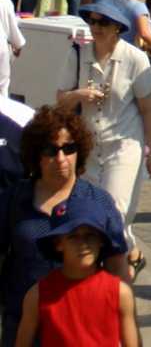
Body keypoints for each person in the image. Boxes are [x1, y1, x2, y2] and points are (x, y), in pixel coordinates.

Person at [0, 109, 128, 347]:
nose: (61, 159)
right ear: (36, 155)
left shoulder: (98, 202)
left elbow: (117, 267)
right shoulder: (13, 199)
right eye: (50, 150)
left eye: (69, 149)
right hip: (23, 324)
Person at [54, 0, 151, 276]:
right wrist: (78, 94)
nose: (96, 27)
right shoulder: (76, 54)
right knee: (92, 212)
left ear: (118, 27)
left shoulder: (135, 58)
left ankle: (112, 277)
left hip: (125, 145)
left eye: (104, 21)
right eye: (92, 20)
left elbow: (148, 110)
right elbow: (60, 100)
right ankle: (131, 253)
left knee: (114, 211)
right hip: (88, 148)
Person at [14, 200, 140, 347]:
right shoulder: (38, 294)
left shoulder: (120, 292)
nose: (84, 243)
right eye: (73, 236)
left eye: (91, 235)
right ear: (58, 244)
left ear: (101, 240)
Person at [0, 0, 20, 100]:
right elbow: (17, 40)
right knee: (2, 87)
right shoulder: (4, 0)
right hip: (2, 47)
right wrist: (18, 46)